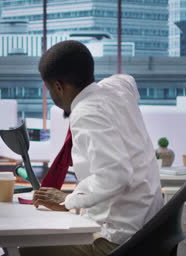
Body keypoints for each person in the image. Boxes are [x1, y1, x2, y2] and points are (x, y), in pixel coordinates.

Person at [19, 40, 163, 256]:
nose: (51, 96)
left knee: (27, 248)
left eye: (50, 89)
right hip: (146, 229)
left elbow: (116, 174)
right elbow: (127, 80)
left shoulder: (86, 112)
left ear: (58, 86)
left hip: (117, 240)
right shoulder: (118, 88)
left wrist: (69, 200)